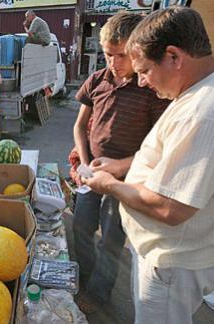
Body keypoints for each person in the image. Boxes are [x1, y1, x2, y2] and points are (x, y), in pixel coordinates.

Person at [82, 7, 214, 323]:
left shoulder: (207, 114)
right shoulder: (209, 90)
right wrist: (121, 166)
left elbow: (170, 208)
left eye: (144, 71)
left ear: (173, 56)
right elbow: (173, 160)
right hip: (175, 259)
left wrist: (109, 185)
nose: (140, 83)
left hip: (174, 265)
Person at [70, 12, 170, 312]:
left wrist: (118, 168)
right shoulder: (97, 81)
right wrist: (84, 163)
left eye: (121, 56)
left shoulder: (151, 89)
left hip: (126, 181)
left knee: (111, 239)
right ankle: (84, 279)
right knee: (80, 226)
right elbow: (79, 126)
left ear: (137, 51)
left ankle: (98, 295)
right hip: (91, 176)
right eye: (107, 55)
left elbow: (157, 148)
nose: (113, 63)